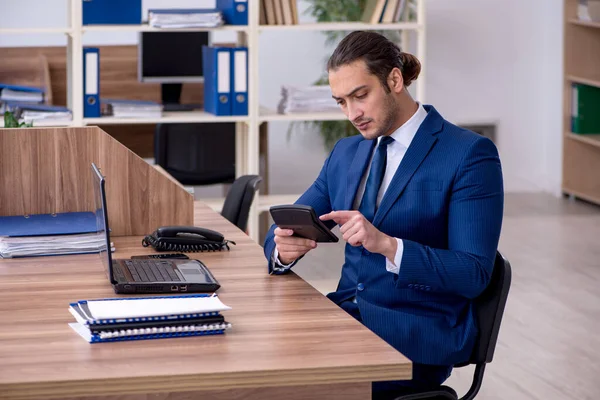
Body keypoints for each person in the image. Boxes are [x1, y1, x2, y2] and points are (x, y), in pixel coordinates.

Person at [263, 31, 503, 400]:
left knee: (284, 387)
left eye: (361, 96)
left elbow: (474, 274)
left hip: (416, 335)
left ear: (394, 79)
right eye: (341, 101)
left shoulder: (468, 154)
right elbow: (285, 223)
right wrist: (283, 248)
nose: (352, 113)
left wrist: (389, 246)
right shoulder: (346, 152)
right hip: (345, 321)